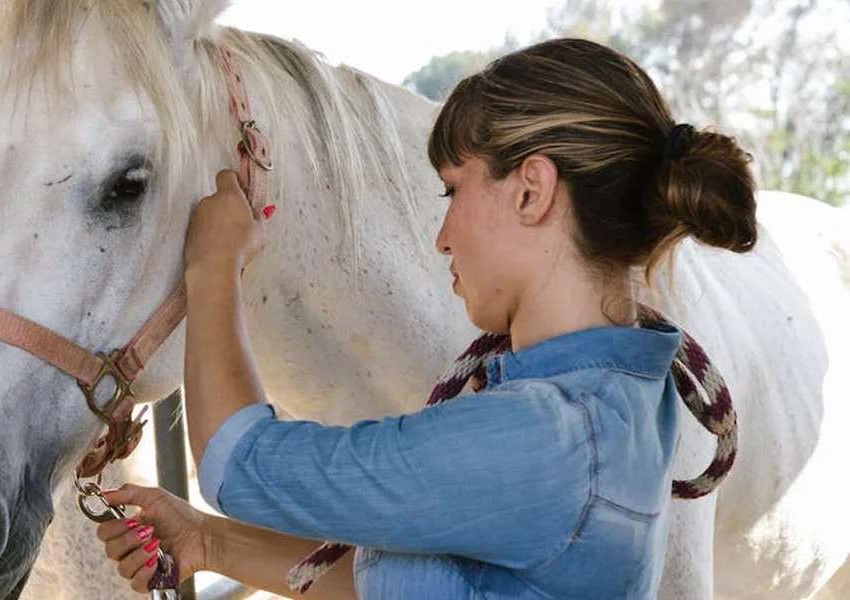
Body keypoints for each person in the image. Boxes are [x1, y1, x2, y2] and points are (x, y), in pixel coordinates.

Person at [95, 37, 758, 599]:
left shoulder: (546, 436)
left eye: (453, 189)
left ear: (532, 190)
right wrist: (205, 541)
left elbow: (240, 465)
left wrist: (213, 265)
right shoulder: (618, 399)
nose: (442, 236)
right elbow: (419, 581)